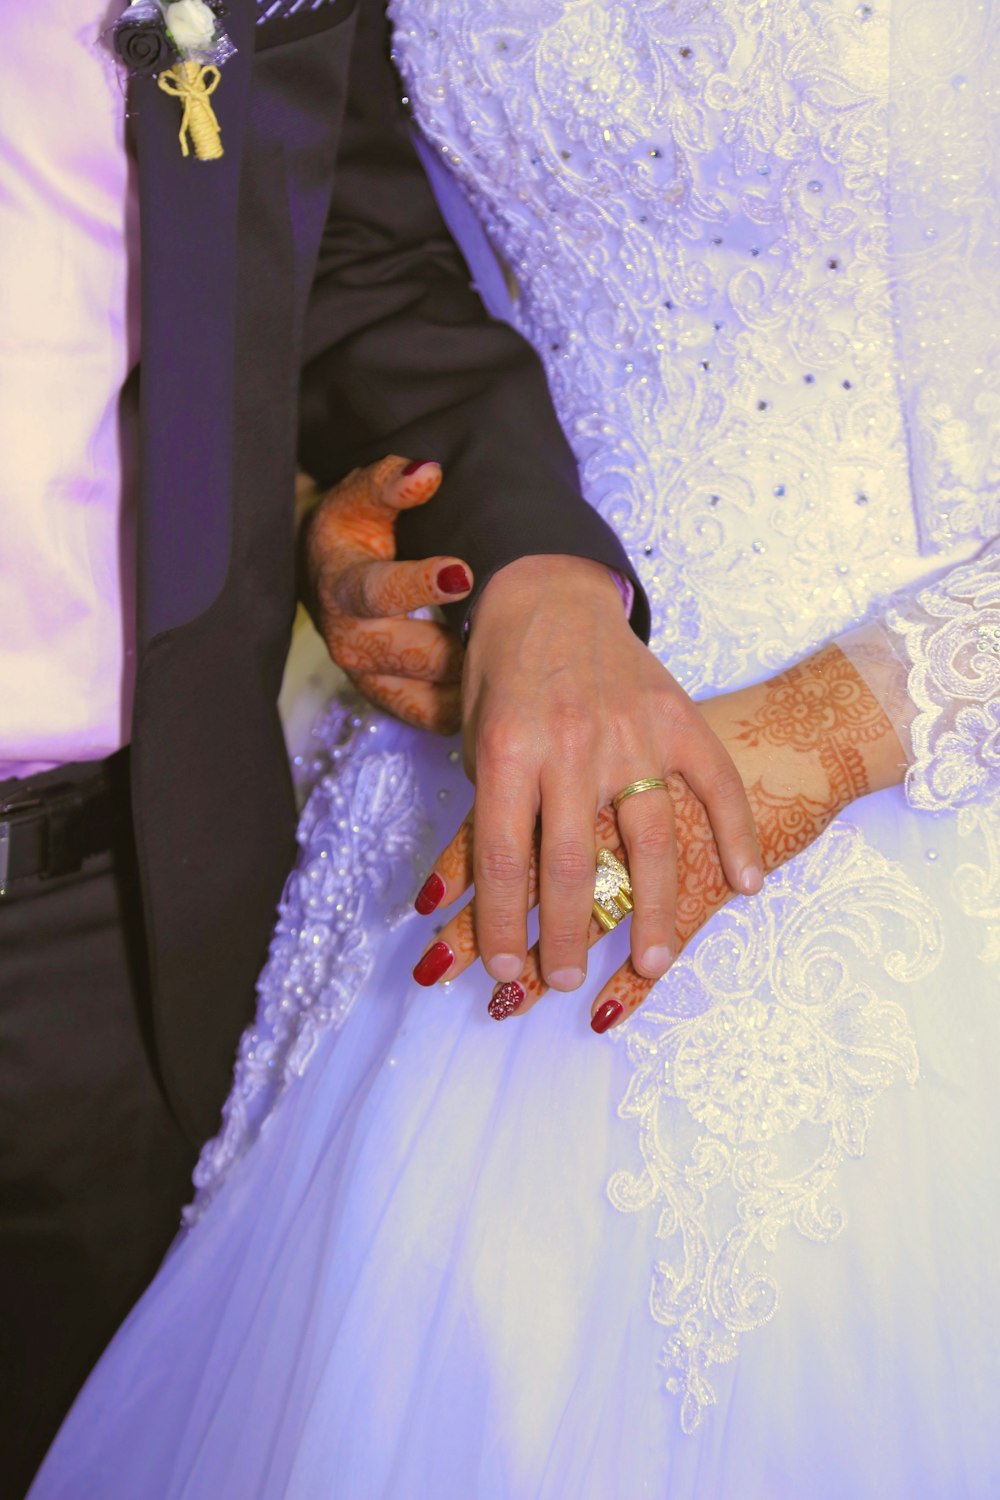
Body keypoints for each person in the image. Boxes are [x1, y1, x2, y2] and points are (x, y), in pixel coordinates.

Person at [28, 1, 1000, 1496]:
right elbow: (353, 259)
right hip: (452, 781)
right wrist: (359, 531)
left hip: (915, 832)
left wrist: (839, 725)